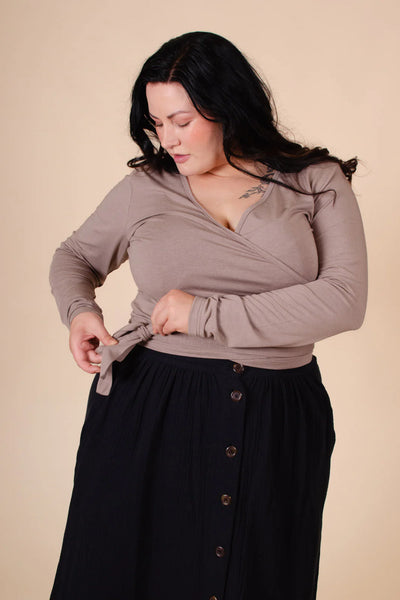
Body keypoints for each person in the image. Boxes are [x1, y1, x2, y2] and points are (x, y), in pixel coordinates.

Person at [49, 31, 367, 600]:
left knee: (260, 575)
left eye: (182, 120)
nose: (167, 138)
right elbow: (74, 257)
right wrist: (80, 312)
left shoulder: (316, 179)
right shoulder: (145, 187)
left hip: (279, 408)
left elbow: (345, 299)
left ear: (227, 107)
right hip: (153, 401)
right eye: (156, 123)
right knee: (127, 573)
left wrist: (203, 313)